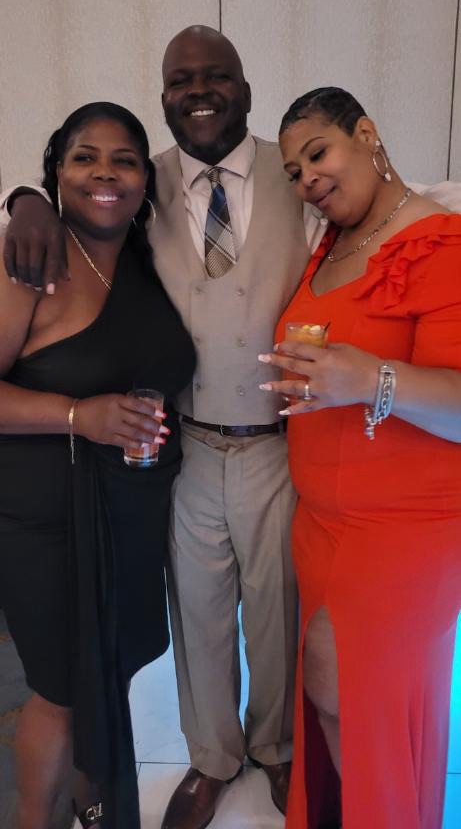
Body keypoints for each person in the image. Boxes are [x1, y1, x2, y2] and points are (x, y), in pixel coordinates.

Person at [2, 32, 460, 829]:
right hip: (186, 445)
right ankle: (212, 758)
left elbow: (407, 201)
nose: (198, 91)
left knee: (277, 613)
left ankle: (277, 750)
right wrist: (23, 198)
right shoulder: (144, 182)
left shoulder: (298, 175)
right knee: (199, 616)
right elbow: (78, 194)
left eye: (216, 76)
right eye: (180, 80)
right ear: (164, 98)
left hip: (278, 446)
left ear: (244, 89)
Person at [258, 87, 461, 829]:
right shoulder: (330, 244)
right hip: (321, 523)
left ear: (367, 134)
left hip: (402, 531)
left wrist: (369, 378)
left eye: (318, 154)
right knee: (339, 703)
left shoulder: (441, 242)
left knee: (355, 701)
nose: (307, 179)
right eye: (293, 172)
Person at [0, 101, 196, 829]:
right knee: (59, 688)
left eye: (124, 160)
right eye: (84, 158)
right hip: (46, 517)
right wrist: (78, 416)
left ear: (147, 178)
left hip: (132, 510)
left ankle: (95, 807)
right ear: (57, 169)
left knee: (110, 671)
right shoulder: (31, 262)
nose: (104, 174)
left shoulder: (154, 257)